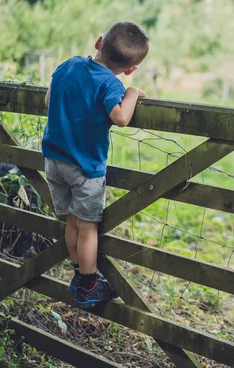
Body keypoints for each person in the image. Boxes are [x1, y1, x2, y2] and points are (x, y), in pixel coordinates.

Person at [42, 21, 149, 308]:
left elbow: (48, 99)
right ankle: (89, 285)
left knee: (71, 221)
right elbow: (121, 118)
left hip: (54, 160)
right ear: (129, 69)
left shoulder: (69, 65)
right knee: (87, 227)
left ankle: (79, 274)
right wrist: (133, 93)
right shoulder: (110, 84)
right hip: (85, 167)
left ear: (98, 42)